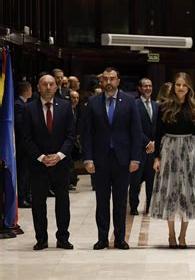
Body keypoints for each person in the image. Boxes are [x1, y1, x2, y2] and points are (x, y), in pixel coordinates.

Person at [82, 67, 142, 250]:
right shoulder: (92, 102)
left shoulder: (130, 102)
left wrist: (135, 158)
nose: (109, 82)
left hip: (123, 159)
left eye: (112, 79)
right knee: (102, 201)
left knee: (120, 201)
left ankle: (120, 238)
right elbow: (87, 133)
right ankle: (102, 238)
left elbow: (136, 132)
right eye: (105, 79)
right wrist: (88, 158)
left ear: (118, 81)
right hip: (100, 159)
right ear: (101, 81)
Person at [150, 72, 195, 249]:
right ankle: (171, 234)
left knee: (187, 193)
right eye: (178, 85)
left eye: (184, 85)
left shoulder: (194, 107)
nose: (181, 88)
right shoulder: (164, 107)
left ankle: (183, 235)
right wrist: (156, 157)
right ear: (173, 87)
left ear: (188, 88)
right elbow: (157, 133)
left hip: (190, 150)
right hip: (169, 150)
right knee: (169, 192)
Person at [22, 74, 75, 250]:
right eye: (44, 84)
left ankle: (62, 237)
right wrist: (41, 157)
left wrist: (59, 155)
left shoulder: (66, 107)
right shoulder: (29, 109)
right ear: (38, 87)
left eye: (51, 84)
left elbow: (70, 136)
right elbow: (26, 138)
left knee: (62, 202)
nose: (48, 87)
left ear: (56, 87)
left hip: (61, 163)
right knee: (38, 203)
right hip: (38, 164)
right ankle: (41, 239)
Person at [129, 78, 159, 215]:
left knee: (151, 181)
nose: (148, 88)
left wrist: (154, 143)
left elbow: (159, 127)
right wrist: (147, 142)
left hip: (153, 150)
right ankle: (134, 207)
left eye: (150, 86)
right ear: (140, 88)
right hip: (138, 148)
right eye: (145, 86)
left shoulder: (157, 105)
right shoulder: (134, 105)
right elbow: (133, 128)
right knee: (135, 180)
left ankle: (150, 207)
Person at [14, 80, 33, 208]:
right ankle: (21, 198)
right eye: (31, 89)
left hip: (27, 145)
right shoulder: (18, 104)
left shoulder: (25, 103)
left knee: (27, 172)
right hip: (22, 145)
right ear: (27, 90)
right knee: (23, 173)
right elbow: (20, 125)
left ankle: (27, 196)